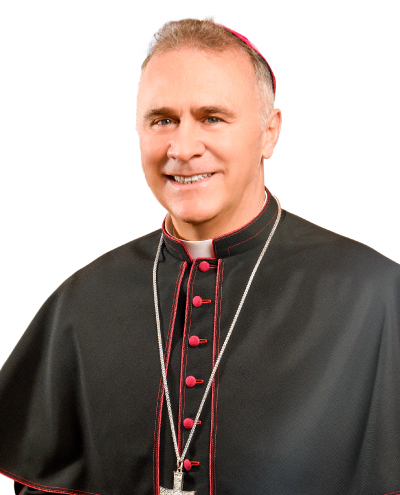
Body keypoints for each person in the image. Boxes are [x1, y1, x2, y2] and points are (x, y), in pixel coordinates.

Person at [0, 18, 399, 495]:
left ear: (269, 133)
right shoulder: (83, 301)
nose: (183, 148)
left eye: (212, 117)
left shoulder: (375, 295)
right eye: (162, 120)